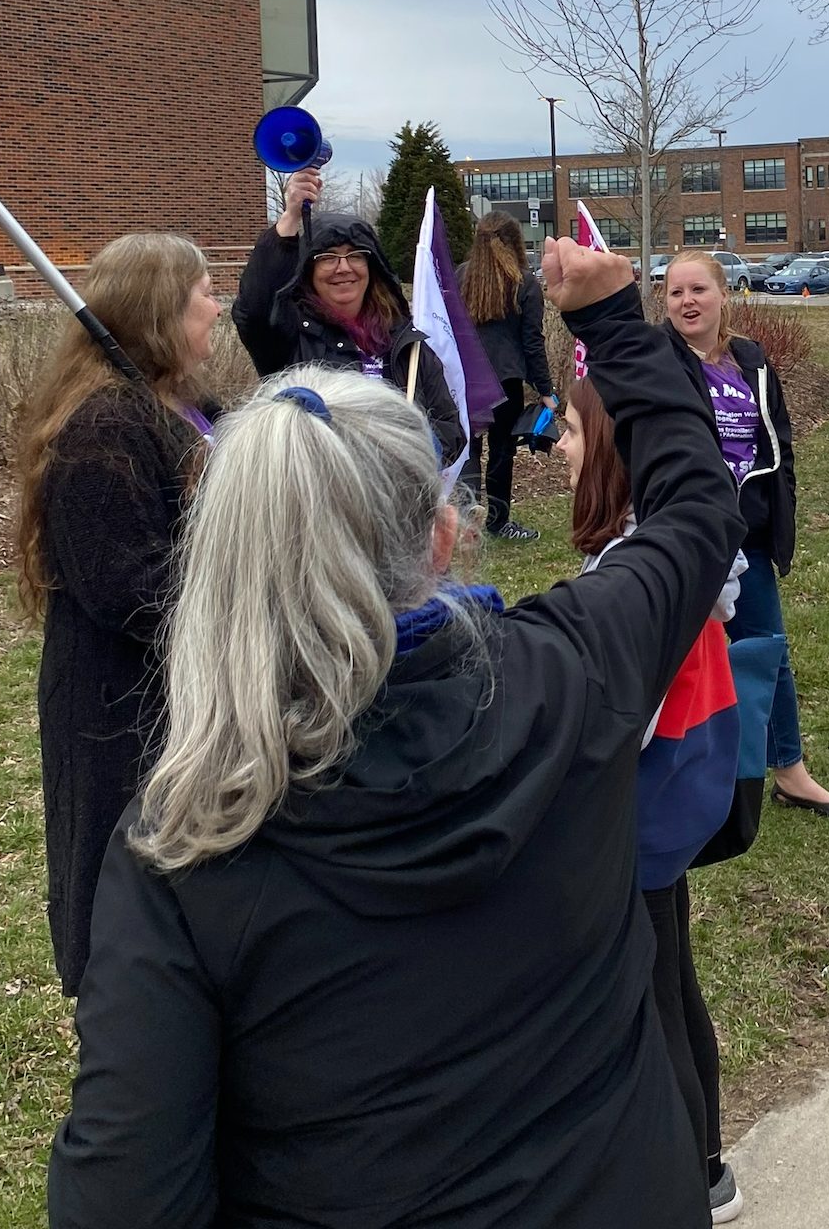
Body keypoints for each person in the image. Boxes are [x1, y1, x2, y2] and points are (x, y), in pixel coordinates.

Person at [48, 241, 747, 1228]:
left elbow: (123, 1192)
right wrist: (611, 324)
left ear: (218, 563)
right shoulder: (576, 670)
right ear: (442, 538)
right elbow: (697, 514)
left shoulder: (185, 849)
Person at [561, 370, 746, 1223]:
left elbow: (617, 718)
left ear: (607, 450)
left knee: (654, 996)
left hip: (634, 817)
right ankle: (705, 1159)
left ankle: (686, 1175)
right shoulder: (672, 553)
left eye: (568, 430)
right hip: (672, 811)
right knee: (675, 982)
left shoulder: (626, 574)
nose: (558, 446)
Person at [13, 234, 220, 998]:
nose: (216, 305)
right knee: (123, 882)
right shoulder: (104, 427)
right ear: (160, 306)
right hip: (120, 708)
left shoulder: (181, 404)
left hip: (184, 694)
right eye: (203, 291)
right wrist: (238, 603)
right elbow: (127, 587)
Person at [664, 249, 829, 818]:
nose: (688, 302)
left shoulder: (750, 358)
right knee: (670, 653)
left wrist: (780, 524)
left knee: (766, 650)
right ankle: (670, 769)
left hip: (746, 535)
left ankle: (789, 769)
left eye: (699, 289)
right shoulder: (659, 360)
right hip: (684, 533)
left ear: (724, 294)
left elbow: (779, 443)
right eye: (676, 293)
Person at [232, 167, 464, 463]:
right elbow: (254, 311)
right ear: (309, 271)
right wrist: (290, 217)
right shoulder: (290, 339)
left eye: (355, 256)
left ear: (372, 267)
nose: (344, 268)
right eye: (328, 258)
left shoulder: (406, 343)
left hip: (401, 499)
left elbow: (449, 428)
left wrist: (416, 450)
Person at [459, 211, 556, 540]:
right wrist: (546, 389)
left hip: (466, 377)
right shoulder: (523, 283)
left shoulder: (461, 278)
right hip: (505, 380)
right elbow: (532, 342)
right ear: (514, 242)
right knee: (502, 451)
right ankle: (499, 523)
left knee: (468, 448)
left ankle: (465, 519)